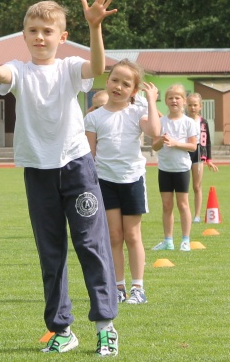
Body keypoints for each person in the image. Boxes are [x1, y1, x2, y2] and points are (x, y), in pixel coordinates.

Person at [0, 0, 121, 357]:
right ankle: (62, 330)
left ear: (62, 36)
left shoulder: (69, 67)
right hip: (38, 171)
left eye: (47, 31)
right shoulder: (20, 70)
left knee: (91, 246)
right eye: (32, 31)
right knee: (51, 252)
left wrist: (95, 27)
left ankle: (105, 326)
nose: (39, 37)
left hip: (77, 167)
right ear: (24, 35)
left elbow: (97, 68)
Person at [84, 60, 160, 306]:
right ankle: (118, 287)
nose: (118, 86)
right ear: (107, 81)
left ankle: (138, 287)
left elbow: (155, 131)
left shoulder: (137, 112)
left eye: (126, 84)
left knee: (133, 235)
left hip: (132, 179)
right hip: (105, 181)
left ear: (134, 90)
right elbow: (90, 154)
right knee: (114, 236)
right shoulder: (94, 118)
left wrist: (151, 101)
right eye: (115, 80)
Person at [151, 84, 198, 251]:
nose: (174, 101)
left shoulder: (189, 122)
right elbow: (155, 146)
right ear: (166, 101)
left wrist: (176, 143)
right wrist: (161, 141)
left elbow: (193, 147)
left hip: (181, 169)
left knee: (183, 205)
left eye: (177, 98)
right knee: (166, 205)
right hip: (164, 169)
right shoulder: (160, 122)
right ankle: (168, 241)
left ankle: (185, 240)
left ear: (184, 101)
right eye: (170, 98)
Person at [186, 93, 218, 224]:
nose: (192, 108)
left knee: (196, 186)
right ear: (186, 106)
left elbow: (207, 141)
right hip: (185, 152)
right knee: (183, 187)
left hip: (198, 153)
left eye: (195, 105)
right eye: (190, 105)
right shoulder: (183, 120)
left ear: (200, 106)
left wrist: (209, 160)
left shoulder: (203, 122)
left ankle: (197, 215)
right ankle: (186, 214)